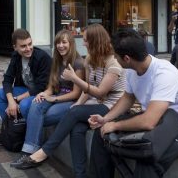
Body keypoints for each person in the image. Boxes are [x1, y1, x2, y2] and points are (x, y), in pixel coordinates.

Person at [13, 24, 126, 178]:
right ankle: (80, 175)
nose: (84, 43)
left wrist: (74, 81)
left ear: (95, 41)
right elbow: (88, 89)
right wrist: (78, 104)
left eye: (86, 40)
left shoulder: (114, 64)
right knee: (76, 129)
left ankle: (43, 152)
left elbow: (100, 93)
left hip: (111, 106)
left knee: (73, 113)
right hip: (95, 103)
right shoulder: (90, 59)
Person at [89, 29, 178, 178]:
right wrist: (106, 119)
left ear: (127, 58)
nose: (115, 59)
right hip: (157, 121)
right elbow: (128, 98)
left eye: (116, 56)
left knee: (148, 160)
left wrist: (116, 125)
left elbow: (149, 121)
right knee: (102, 132)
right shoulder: (131, 69)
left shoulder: (164, 74)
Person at [10, 30, 84, 167]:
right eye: (58, 43)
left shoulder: (78, 63)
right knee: (35, 104)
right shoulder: (57, 61)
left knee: (40, 116)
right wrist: (45, 94)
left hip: (70, 101)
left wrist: (53, 99)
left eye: (64, 42)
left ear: (71, 44)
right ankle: (29, 152)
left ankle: (32, 152)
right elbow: (51, 86)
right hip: (56, 95)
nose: (60, 46)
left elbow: (76, 94)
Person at [0, 28, 52, 120]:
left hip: (41, 93)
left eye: (30, 44)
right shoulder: (16, 56)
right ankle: (11, 126)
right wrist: (11, 101)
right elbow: (7, 79)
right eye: (23, 46)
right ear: (15, 47)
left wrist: (17, 99)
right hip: (25, 89)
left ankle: (20, 127)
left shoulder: (42, 57)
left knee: (24, 104)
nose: (28, 49)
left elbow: (41, 87)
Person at [167, 0, 178, 65]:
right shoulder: (175, 14)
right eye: (176, 2)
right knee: (173, 62)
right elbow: (170, 30)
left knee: (177, 63)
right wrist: (172, 21)